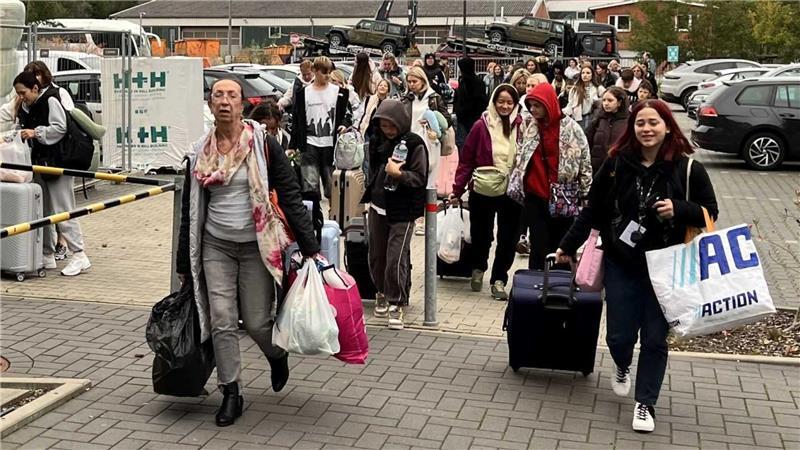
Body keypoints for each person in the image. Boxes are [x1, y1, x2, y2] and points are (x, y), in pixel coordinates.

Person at [556, 99, 718, 433]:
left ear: (668, 126)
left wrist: (680, 208)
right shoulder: (616, 165)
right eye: (640, 123)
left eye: (653, 122)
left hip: (670, 266)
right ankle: (621, 363)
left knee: (656, 338)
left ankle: (645, 404)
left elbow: (709, 212)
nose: (646, 129)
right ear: (632, 128)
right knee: (619, 336)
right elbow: (593, 212)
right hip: (623, 262)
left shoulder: (687, 169)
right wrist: (567, 245)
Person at [176, 77, 319, 428]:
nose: (224, 101)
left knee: (256, 322)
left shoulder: (262, 145)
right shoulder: (199, 151)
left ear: (243, 105)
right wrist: (184, 260)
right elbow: (189, 211)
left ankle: (276, 353)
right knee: (222, 318)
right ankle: (231, 392)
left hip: (258, 246)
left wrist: (312, 248)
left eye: (232, 96)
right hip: (215, 245)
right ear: (210, 105)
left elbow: (289, 193)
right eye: (218, 95)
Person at [449, 84, 524, 300]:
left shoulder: (523, 126)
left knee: (508, 238)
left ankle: (499, 279)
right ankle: (478, 267)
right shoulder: (480, 126)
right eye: (501, 101)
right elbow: (467, 160)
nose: (505, 106)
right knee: (482, 234)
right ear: (493, 101)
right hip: (483, 188)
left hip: (512, 190)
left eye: (510, 102)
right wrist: (457, 188)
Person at [13, 71, 91, 277]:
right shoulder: (25, 106)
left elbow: (60, 127)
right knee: (43, 210)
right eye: (18, 93)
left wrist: (36, 132)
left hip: (58, 162)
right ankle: (46, 254)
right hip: (39, 163)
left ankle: (79, 253)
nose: (21, 97)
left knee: (63, 208)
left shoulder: (51, 100)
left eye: (23, 93)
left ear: (35, 88)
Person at [360, 99, 428, 330]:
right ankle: (381, 291)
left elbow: (419, 177)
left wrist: (399, 174)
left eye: (392, 125)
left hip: (403, 210)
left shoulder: (414, 144)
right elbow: (371, 171)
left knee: (395, 258)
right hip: (378, 206)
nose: (387, 130)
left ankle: (396, 302)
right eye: (383, 125)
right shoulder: (377, 141)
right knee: (376, 256)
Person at [511, 83, 592, 270]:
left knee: (562, 245)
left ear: (548, 104)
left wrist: (586, 193)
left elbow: (585, 162)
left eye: (537, 105)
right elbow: (520, 153)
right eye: (530, 105)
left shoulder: (572, 128)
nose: (532, 109)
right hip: (535, 195)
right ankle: (536, 286)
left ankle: (561, 285)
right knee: (538, 245)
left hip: (563, 195)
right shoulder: (529, 126)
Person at [288, 56, 352, 240]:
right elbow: (297, 120)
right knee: (310, 187)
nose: (327, 75)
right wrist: (293, 145)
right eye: (324, 72)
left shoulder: (339, 92)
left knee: (333, 188)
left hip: (331, 146)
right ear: (315, 71)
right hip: (309, 144)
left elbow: (348, 114)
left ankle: (335, 222)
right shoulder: (303, 93)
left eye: (329, 72)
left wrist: (343, 125)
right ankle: (314, 220)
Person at [404, 66, 449, 235]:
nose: (411, 85)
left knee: (428, 181)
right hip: (411, 142)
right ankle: (416, 217)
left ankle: (424, 218)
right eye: (409, 82)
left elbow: (446, 120)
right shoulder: (407, 98)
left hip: (430, 143)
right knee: (413, 179)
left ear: (423, 80)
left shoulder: (434, 97)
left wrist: (433, 122)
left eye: (414, 81)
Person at [586, 86, 628, 173]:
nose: (606, 103)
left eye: (610, 100)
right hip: (597, 169)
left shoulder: (628, 121)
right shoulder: (598, 120)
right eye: (604, 100)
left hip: (620, 169)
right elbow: (587, 142)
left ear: (619, 102)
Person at [453, 57, 488, 149]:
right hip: (468, 116)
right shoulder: (468, 81)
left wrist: (459, 110)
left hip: (470, 117)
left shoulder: (472, 82)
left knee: (465, 142)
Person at [564, 65, 604, 131]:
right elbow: (570, 103)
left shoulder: (597, 87)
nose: (585, 75)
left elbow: (606, 95)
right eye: (583, 73)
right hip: (577, 117)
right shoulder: (575, 88)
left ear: (592, 75)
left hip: (591, 116)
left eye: (588, 73)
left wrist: (598, 102)